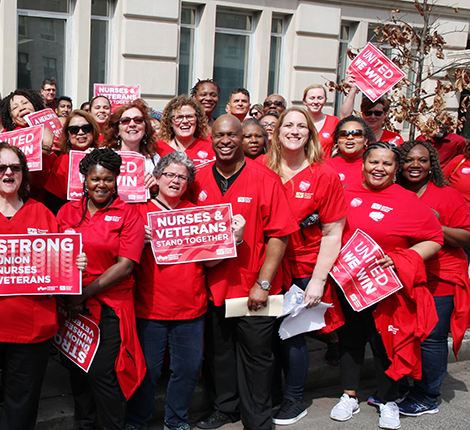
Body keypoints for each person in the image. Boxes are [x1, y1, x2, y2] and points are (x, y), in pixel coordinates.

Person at [0, 142, 86, 430]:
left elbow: (59, 265)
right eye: (0, 167)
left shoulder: (43, 214)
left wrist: (75, 264)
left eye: (15, 167)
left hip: (31, 330)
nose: (8, 172)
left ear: (24, 174)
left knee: (22, 402)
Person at [326, 142, 442, 430]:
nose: (379, 168)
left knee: (385, 345)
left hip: (386, 288)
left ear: (395, 169)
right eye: (373, 162)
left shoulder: (407, 200)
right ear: (364, 164)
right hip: (348, 283)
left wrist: (402, 258)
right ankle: (348, 396)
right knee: (350, 341)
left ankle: (389, 400)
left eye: (387, 164)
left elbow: (435, 239)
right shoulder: (343, 193)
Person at [192, 115, 296, 430]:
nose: (225, 141)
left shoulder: (265, 179)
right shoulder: (198, 179)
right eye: (219, 135)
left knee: (257, 359)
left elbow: (279, 235)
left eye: (232, 135)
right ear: (211, 138)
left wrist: (263, 283)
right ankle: (226, 408)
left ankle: (257, 420)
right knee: (220, 357)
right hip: (212, 288)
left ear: (244, 138)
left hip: (255, 289)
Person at [128, 151, 244, 430]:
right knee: (148, 372)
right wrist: (137, 242)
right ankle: (137, 422)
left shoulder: (198, 214)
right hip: (149, 308)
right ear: (156, 178)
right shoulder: (137, 212)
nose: (176, 181)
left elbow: (211, 260)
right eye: (170, 174)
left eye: (182, 177)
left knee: (188, 371)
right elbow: (119, 259)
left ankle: (176, 421)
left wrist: (234, 240)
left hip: (191, 308)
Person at [264, 107, 348, 425]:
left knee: (293, 335)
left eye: (302, 126)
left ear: (310, 134)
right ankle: (269, 395)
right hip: (267, 269)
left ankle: (293, 399)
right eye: (289, 124)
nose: (295, 130)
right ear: (278, 131)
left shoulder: (323, 175)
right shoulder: (261, 168)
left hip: (303, 268)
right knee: (267, 335)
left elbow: (332, 232)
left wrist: (317, 280)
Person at [56, 148, 144, 430]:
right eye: (95, 179)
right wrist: (70, 297)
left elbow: (125, 265)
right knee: (77, 371)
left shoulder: (129, 213)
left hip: (109, 306)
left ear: (116, 179)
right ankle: (84, 424)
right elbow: (55, 256)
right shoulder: (67, 211)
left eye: (108, 179)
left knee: (102, 374)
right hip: (72, 306)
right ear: (85, 179)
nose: (101, 185)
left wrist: (84, 293)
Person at [395, 140, 470, 417]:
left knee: (431, 338)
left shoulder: (447, 195)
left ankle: (427, 395)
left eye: (423, 160)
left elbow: (466, 236)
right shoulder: (394, 192)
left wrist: (435, 225)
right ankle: (403, 385)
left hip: (441, 276)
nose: (416, 165)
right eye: (409, 160)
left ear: (432, 165)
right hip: (403, 275)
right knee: (404, 333)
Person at [45, 110, 101, 211]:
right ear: (68, 135)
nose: (81, 132)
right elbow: (54, 204)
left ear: (93, 131)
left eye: (86, 128)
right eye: (74, 130)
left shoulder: (105, 155)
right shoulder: (62, 162)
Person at [102, 100, 160, 180]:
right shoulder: (103, 156)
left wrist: (155, 188)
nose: (132, 124)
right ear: (117, 130)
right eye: (125, 120)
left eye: (138, 120)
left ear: (145, 128)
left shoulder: (155, 160)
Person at [340, 77, 404, 146]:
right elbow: (344, 119)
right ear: (363, 114)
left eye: (378, 113)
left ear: (385, 115)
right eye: (368, 113)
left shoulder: (394, 138)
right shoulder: (356, 136)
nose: (373, 117)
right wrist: (353, 89)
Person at [157, 95, 214, 170]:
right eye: (179, 117)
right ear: (170, 122)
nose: (185, 121)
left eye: (190, 116)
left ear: (197, 120)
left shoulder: (210, 145)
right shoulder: (158, 148)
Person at [325, 115, 372, 187]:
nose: (350, 137)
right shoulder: (326, 167)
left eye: (357, 134)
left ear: (366, 140)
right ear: (337, 140)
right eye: (344, 134)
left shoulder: (374, 166)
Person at [302, 84, 340, 158]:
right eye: (312, 98)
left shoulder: (334, 121)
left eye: (320, 98)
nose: (316, 102)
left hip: (325, 167)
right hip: (301, 168)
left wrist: (334, 154)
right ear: (304, 101)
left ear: (325, 100)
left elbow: (344, 142)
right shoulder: (298, 122)